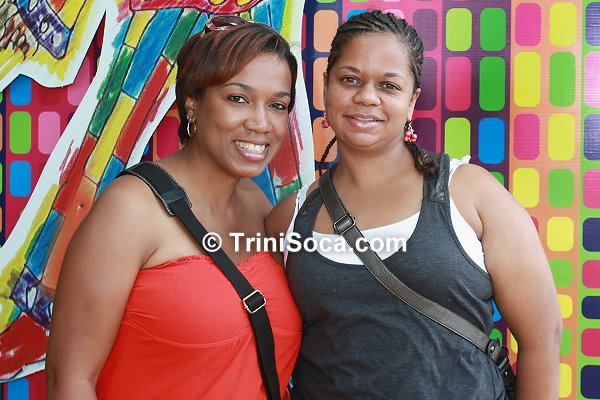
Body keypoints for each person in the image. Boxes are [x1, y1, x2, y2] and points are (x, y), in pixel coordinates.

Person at [266, 10, 561, 400]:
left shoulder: (469, 193)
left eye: (389, 86)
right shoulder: (288, 220)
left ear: (411, 102)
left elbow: (543, 338)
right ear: (326, 87)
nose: (366, 96)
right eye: (350, 79)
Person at [46, 16, 302, 400]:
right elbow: (69, 381)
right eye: (238, 98)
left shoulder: (256, 202)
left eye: (277, 105)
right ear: (193, 104)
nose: (261, 123)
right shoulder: (130, 209)